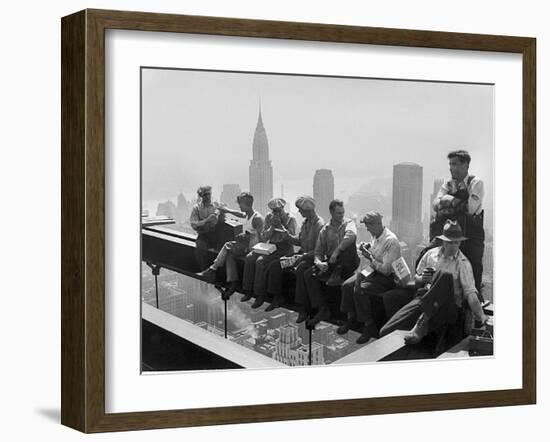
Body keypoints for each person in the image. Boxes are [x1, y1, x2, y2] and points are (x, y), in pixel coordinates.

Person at [380, 220, 489, 346]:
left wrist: (481, 316)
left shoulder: (463, 263)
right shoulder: (430, 255)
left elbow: (471, 294)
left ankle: (421, 326)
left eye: (456, 243)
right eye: (450, 242)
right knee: (385, 331)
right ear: (443, 241)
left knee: (444, 276)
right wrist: (423, 279)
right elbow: (417, 278)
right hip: (425, 299)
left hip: (447, 306)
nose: (453, 246)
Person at [337, 211, 402, 344]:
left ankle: (369, 324)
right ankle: (351, 317)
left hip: (386, 278)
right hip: (372, 271)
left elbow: (386, 270)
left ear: (377, 224)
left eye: (369, 225)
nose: (367, 228)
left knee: (360, 289)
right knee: (347, 285)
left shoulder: (391, 241)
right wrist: (368, 249)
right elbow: (375, 255)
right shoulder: (375, 236)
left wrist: (369, 257)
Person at [431, 150, 485, 293]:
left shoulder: (476, 183)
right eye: (450, 164)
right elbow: (435, 205)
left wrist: (450, 200)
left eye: (454, 164)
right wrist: (453, 203)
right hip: (451, 232)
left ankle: (474, 300)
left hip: (472, 233)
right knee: (433, 255)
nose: (450, 167)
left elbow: (471, 208)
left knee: (473, 264)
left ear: (465, 165)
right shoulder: (448, 184)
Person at [298, 199, 359, 326]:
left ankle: (337, 273)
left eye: (342, 213)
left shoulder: (349, 223)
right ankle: (321, 308)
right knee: (309, 274)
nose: (341, 215)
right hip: (333, 262)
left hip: (348, 261)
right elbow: (318, 252)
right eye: (338, 213)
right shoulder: (325, 230)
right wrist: (319, 263)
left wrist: (337, 251)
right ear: (331, 212)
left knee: (347, 247)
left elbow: (351, 235)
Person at [196, 192, 264, 299]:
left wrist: (247, 236)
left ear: (245, 204)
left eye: (240, 204)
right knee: (229, 255)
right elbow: (239, 213)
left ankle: (212, 269)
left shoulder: (257, 218)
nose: (239, 206)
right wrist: (226, 210)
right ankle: (233, 284)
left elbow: (262, 237)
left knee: (228, 245)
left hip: (251, 248)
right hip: (245, 245)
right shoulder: (248, 214)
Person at [263, 196, 325, 312]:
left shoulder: (319, 225)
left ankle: (302, 305)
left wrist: (303, 256)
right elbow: (299, 241)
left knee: (300, 270)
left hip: (310, 258)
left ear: (307, 210)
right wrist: (287, 236)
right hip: (301, 255)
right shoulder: (306, 222)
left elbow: (319, 250)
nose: (299, 212)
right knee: (276, 265)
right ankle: (277, 297)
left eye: (301, 209)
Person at [241, 197, 297, 309]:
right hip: (270, 247)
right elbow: (264, 237)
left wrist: (281, 226)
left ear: (282, 208)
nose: (275, 213)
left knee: (261, 262)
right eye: (273, 211)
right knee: (250, 258)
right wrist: (272, 227)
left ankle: (260, 294)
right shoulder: (268, 217)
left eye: (278, 210)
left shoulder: (291, 219)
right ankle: (248, 289)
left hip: (285, 250)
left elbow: (292, 239)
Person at [189, 185, 219, 270]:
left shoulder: (215, 205)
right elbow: (194, 224)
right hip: (203, 235)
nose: (208, 196)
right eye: (205, 194)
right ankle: (204, 270)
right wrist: (206, 220)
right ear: (201, 196)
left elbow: (218, 217)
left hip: (216, 235)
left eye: (209, 194)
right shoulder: (196, 208)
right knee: (200, 249)